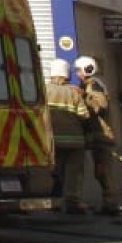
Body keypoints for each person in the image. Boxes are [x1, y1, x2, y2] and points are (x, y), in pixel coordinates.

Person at [74, 54, 121, 215]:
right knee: (100, 171)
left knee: (103, 172)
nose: (77, 74)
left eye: (79, 70)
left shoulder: (94, 85)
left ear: (86, 70)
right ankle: (109, 202)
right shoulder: (91, 85)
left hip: (102, 136)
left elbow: (101, 106)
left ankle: (111, 204)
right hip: (97, 136)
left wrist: (84, 97)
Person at [45, 61, 92, 213]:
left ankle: (54, 200)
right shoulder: (73, 92)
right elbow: (84, 115)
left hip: (52, 141)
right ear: (67, 75)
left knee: (54, 170)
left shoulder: (43, 91)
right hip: (75, 141)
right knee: (73, 172)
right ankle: (72, 202)